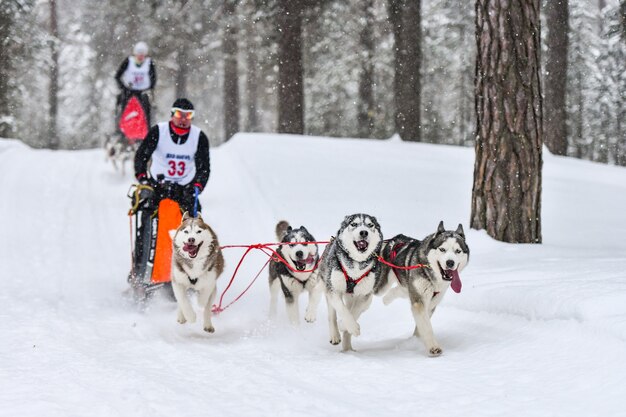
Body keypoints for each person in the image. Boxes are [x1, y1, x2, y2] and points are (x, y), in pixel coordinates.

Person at [134, 98, 211, 215]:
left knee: (194, 217)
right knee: (146, 208)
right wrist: (143, 178)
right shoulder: (158, 131)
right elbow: (141, 156)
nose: (183, 119)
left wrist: (197, 186)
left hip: (185, 188)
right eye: (179, 114)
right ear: (172, 114)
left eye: (188, 115)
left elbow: (204, 168)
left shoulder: (199, 137)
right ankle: (146, 232)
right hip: (157, 186)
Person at [114, 41, 157, 125]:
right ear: (135, 53)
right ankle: (122, 129)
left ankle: (146, 131)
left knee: (146, 111)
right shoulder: (128, 61)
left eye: (143, 53)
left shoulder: (149, 62)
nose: (140, 56)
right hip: (129, 91)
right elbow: (117, 76)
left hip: (143, 92)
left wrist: (150, 88)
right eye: (138, 53)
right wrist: (123, 87)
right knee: (124, 109)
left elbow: (154, 77)